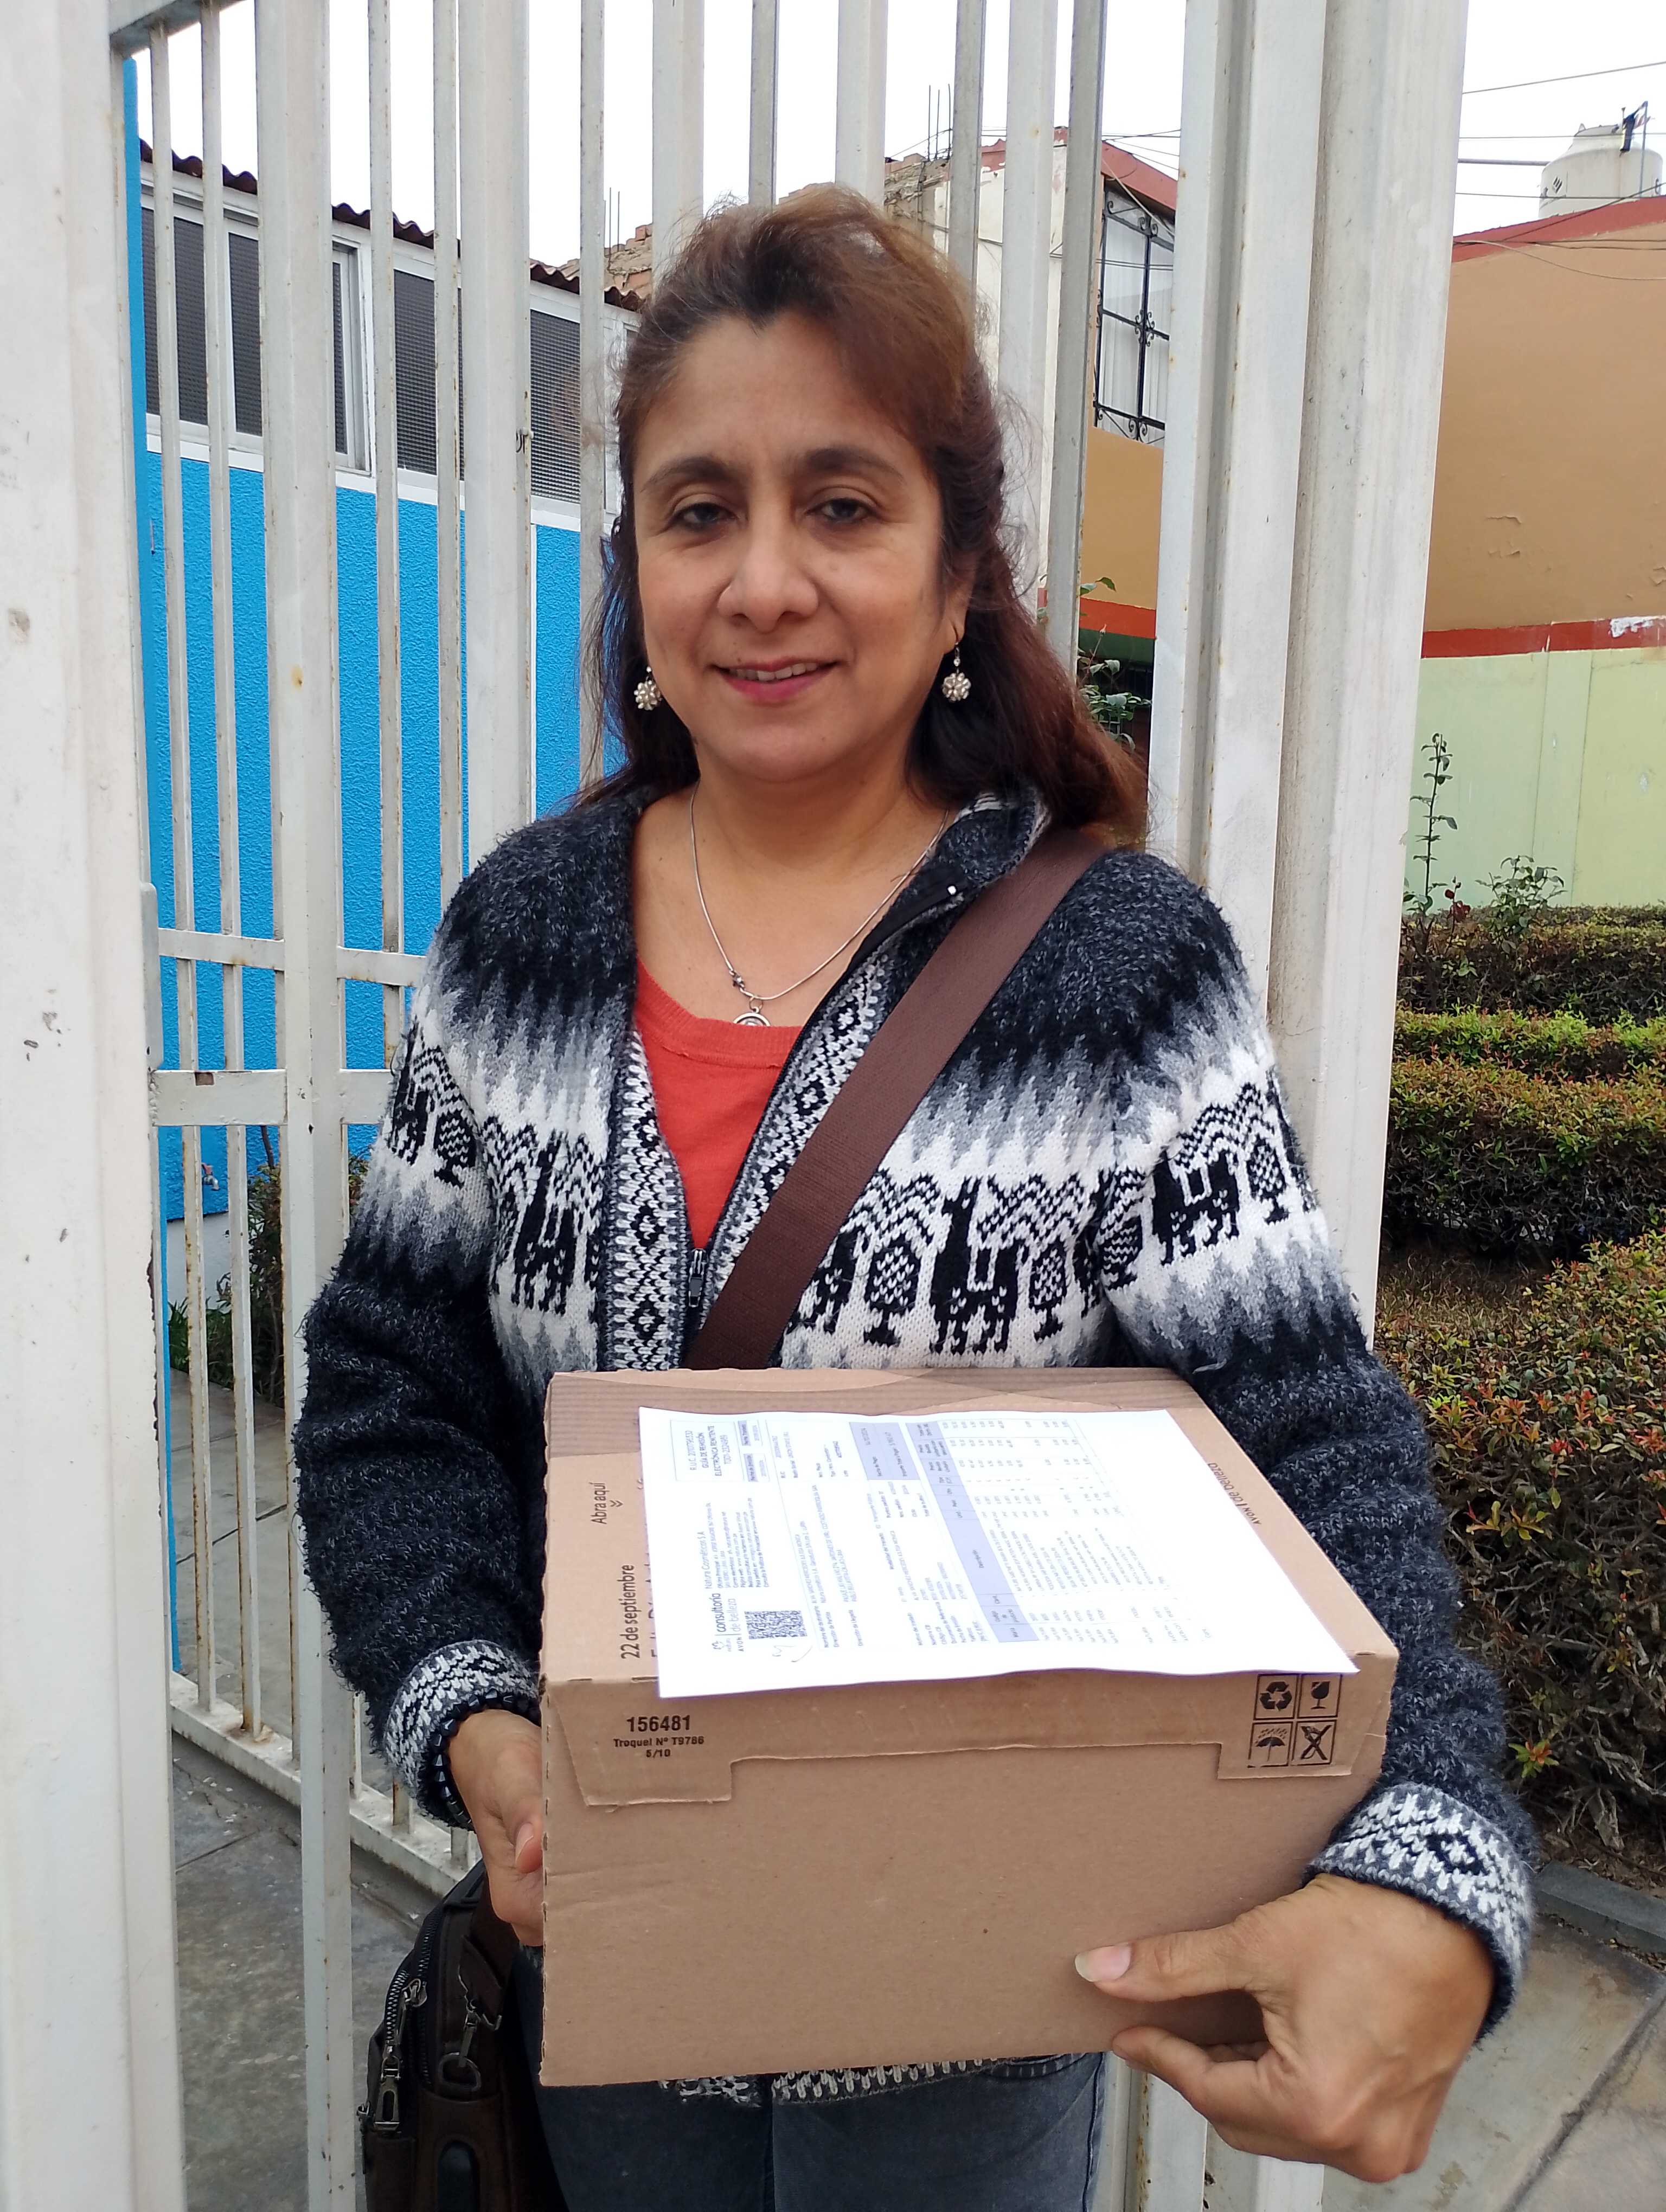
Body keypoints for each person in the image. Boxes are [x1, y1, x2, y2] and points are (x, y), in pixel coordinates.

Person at [294, 187, 1533, 2210]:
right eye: (700, 512)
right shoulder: (520, 937)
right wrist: (477, 1724)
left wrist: (1438, 1862)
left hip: (986, 2007)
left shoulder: (1120, 974)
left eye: (845, 505)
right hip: (608, 1970)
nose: (764, 580)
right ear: (635, 569)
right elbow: (389, 1387)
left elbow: (1308, 1439)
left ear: (963, 576)